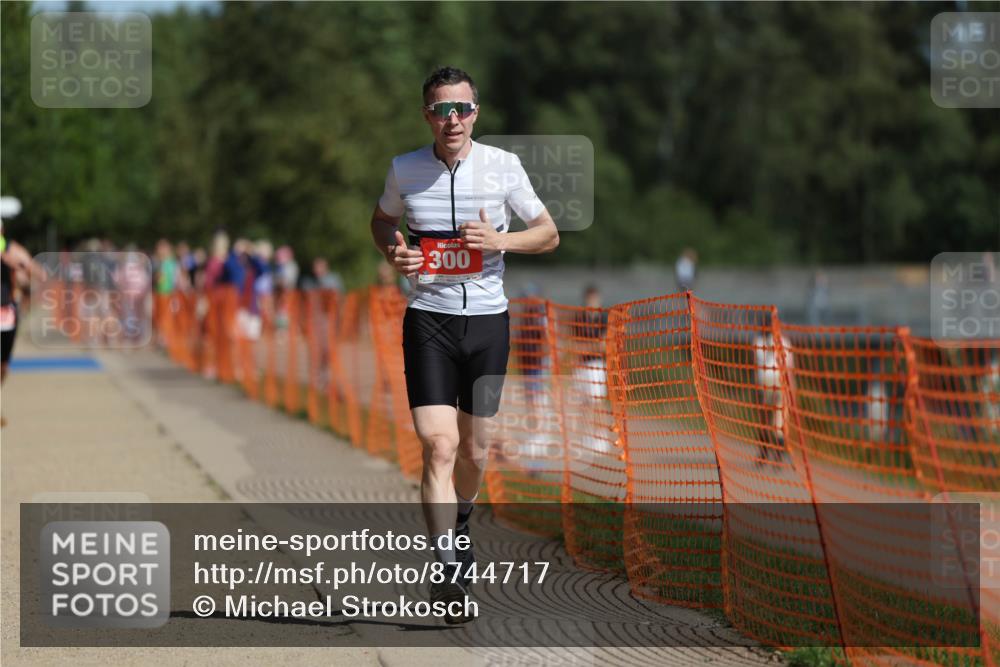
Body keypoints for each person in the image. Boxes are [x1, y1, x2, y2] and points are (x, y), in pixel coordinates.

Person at [370, 66, 558, 622]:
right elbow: (381, 221)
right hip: (428, 320)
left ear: (476, 113)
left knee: (475, 452)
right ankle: (447, 569)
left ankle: (460, 519)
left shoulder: (504, 166)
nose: (452, 119)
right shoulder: (404, 169)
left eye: (462, 108)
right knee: (439, 445)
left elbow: (548, 234)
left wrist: (500, 240)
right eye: (441, 109)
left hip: (487, 326)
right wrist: (394, 251)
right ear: (426, 115)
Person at [1, 220, 46, 426]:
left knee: (3, 366)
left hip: (6, 311)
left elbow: (39, 273)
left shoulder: (13, 250)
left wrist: (21, 269)